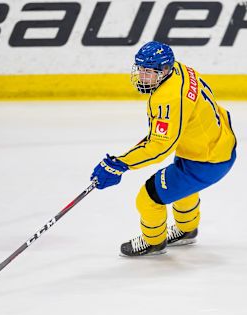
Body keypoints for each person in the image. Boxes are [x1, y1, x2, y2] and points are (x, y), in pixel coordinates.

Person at [91, 41, 237, 257]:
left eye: (149, 72)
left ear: (165, 70)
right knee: (181, 188)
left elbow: (160, 147)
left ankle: (153, 242)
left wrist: (120, 164)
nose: (142, 76)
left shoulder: (168, 98)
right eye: (140, 69)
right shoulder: (182, 70)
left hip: (206, 161)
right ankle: (187, 230)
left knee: (148, 197)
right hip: (216, 145)